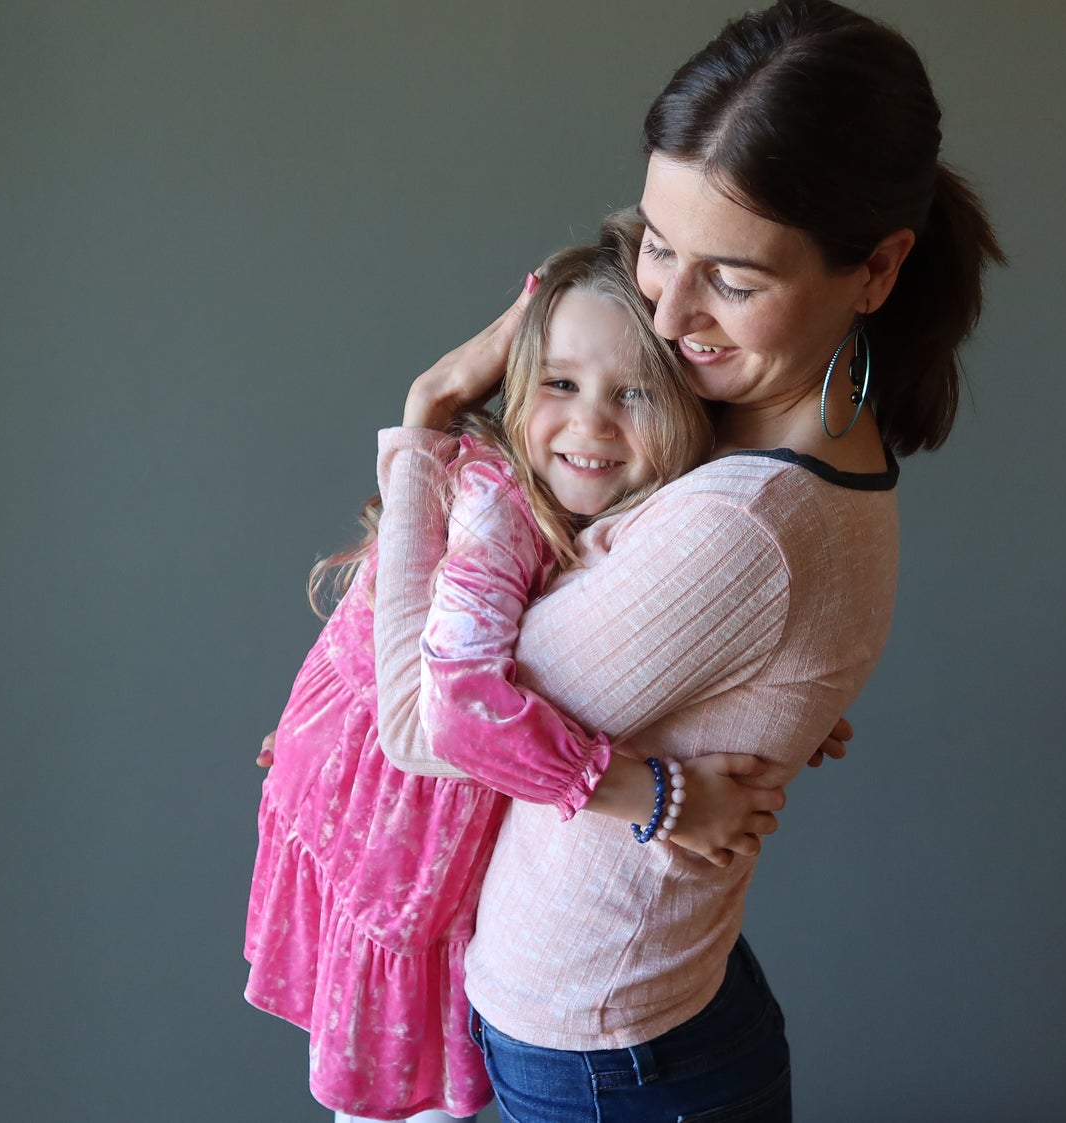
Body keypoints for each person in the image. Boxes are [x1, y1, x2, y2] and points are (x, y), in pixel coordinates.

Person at [367, 3, 1006, 1119]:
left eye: (732, 280)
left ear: (876, 268)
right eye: (657, 246)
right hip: (637, 1030)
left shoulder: (745, 525)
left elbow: (425, 724)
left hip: (607, 1064)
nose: (663, 311)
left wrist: (424, 425)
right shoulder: (737, 431)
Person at [246, 223, 783, 1122]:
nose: (588, 424)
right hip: (397, 813)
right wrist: (662, 798)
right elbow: (454, 709)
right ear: (520, 382)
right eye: (561, 385)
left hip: (392, 776)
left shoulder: (636, 512)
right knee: (407, 1108)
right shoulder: (502, 500)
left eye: (634, 392)